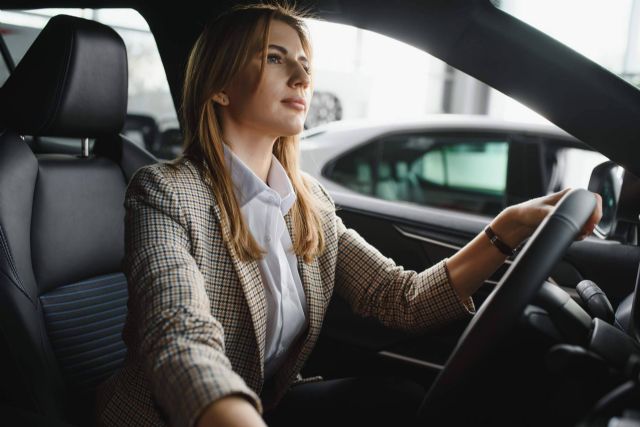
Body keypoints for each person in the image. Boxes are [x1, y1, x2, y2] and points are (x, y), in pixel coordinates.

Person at [95, 2, 603, 427]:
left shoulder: (307, 199)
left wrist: (506, 228)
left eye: (304, 63)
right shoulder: (165, 191)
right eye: (276, 59)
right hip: (175, 417)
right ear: (220, 86)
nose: (300, 76)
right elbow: (178, 335)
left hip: (267, 405)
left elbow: (400, 299)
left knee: (399, 401)